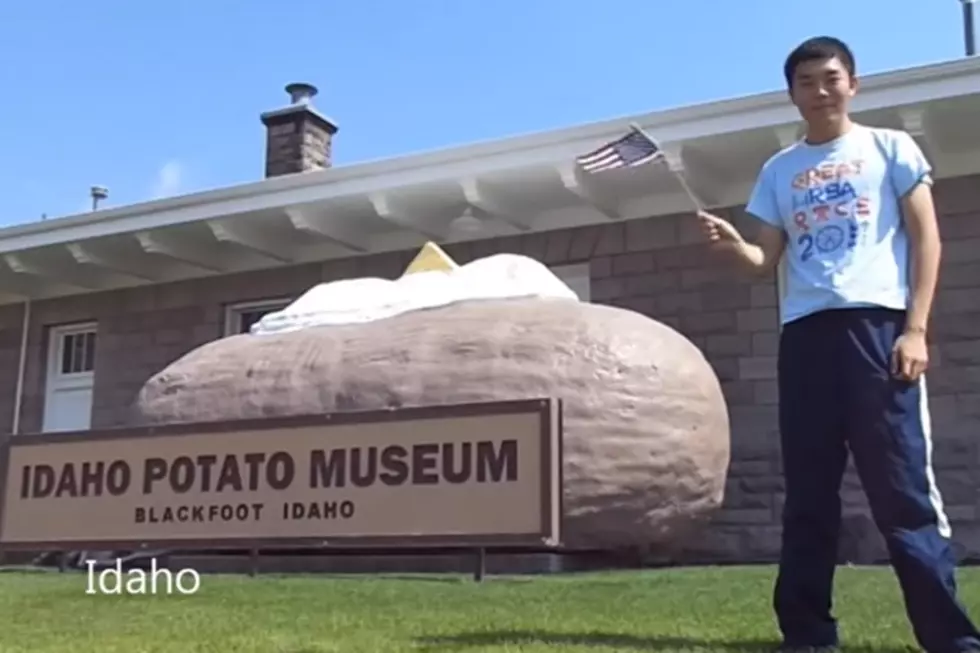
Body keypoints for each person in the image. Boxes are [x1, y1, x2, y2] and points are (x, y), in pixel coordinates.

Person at [697, 36, 980, 653]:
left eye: (830, 78)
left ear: (853, 83)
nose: (819, 90)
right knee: (807, 496)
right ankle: (806, 635)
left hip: (878, 332)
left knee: (903, 492)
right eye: (806, 81)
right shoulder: (779, 170)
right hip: (804, 340)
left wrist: (915, 329)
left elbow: (927, 240)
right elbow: (762, 260)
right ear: (792, 93)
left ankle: (950, 639)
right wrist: (732, 245)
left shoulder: (890, 147)